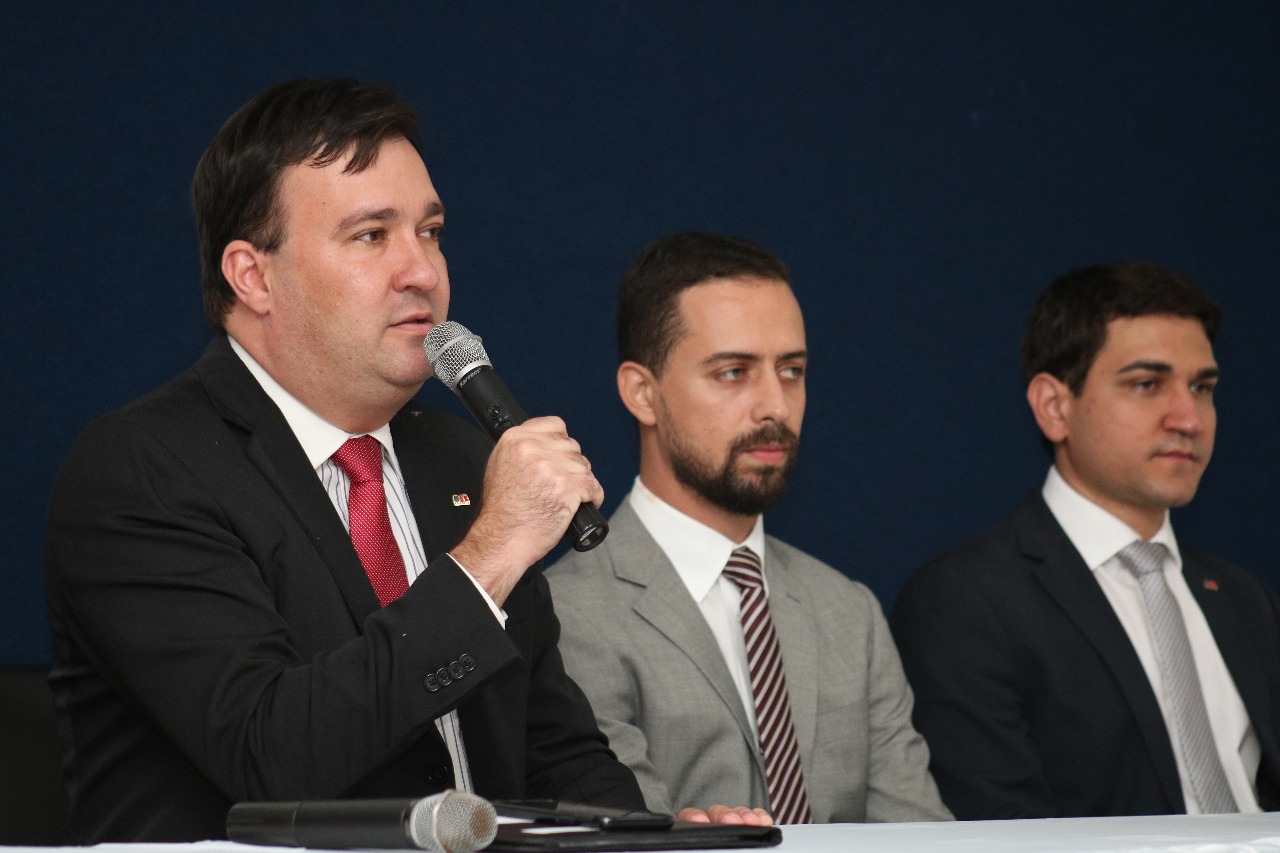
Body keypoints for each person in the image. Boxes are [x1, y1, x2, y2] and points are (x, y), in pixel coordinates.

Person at [45, 80, 766, 843]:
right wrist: (488, 557)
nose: (421, 270)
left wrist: (651, 836)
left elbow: (553, 750)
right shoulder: (142, 469)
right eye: (371, 235)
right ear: (252, 276)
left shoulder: (459, 457)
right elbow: (271, 756)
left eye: (430, 231)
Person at [545, 232, 951, 823]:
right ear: (642, 393)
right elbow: (623, 839)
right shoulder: (566, 613)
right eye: (734, 372)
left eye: (792, 370)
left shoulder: (848, 612)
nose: (776, 407)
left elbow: (921, 837)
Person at [891, 261, 1280, 819]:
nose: (1189, 418)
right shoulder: (964, 603)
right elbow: (1002, 833)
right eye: (1147, 385)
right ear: (1054, 407)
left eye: (1202, 387)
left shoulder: (1245, 600)